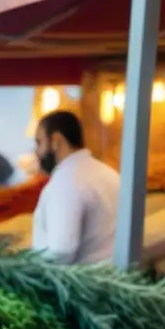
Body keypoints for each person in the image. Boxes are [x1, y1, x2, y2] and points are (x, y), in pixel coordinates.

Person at [31, 110, 120, 264]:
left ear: (56, 141)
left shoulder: (67, 181)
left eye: (39, 142)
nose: (37, 152)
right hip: (113, 279)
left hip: (81, 283)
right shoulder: (108, 173)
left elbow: (61, 251)